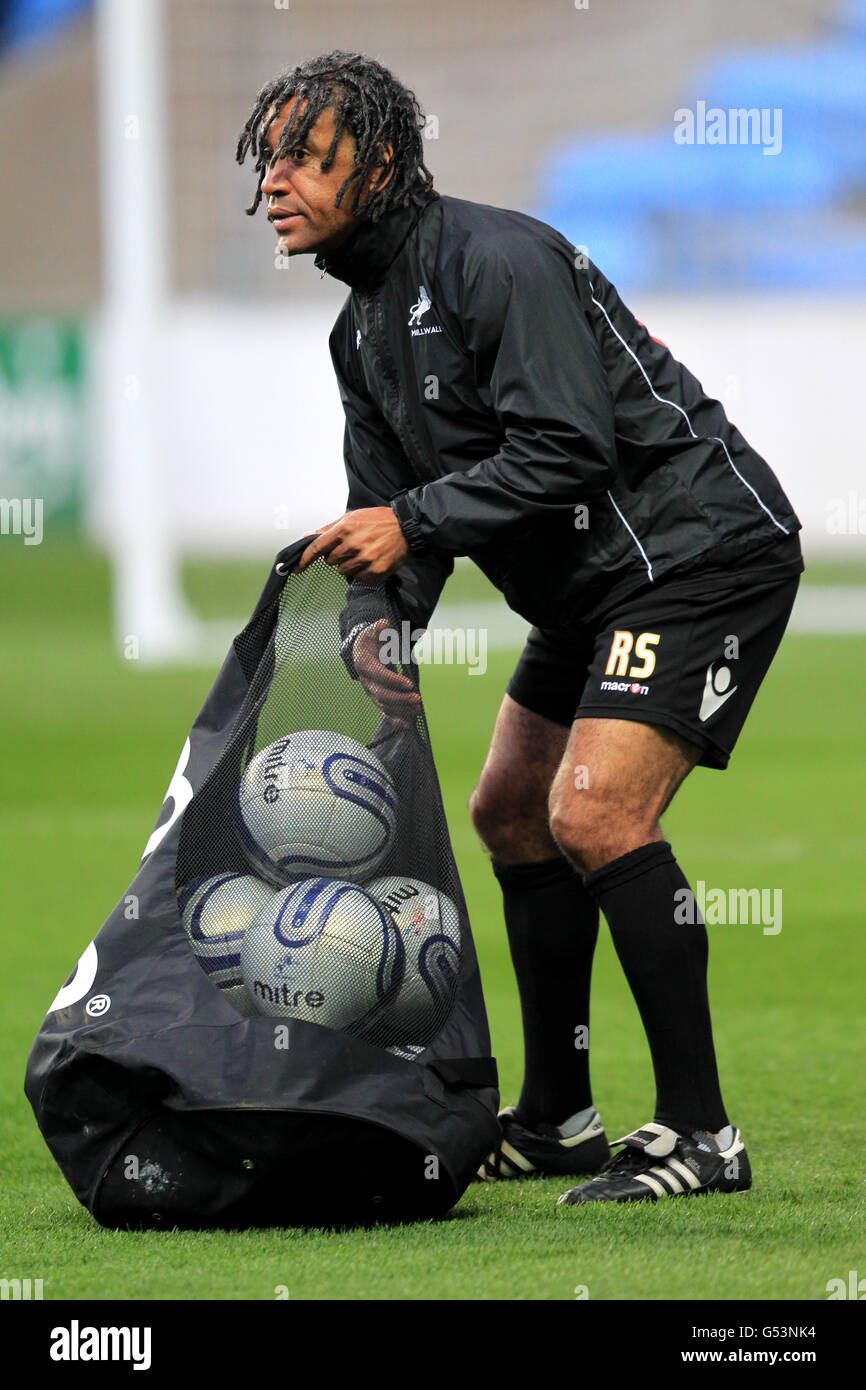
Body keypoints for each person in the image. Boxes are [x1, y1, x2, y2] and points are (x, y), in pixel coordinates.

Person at [237, 50, 803, 1205]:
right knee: (508, 810)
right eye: (269, 158)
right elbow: (393, 524)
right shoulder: (361, 333)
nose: (276, 180)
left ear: (380, 159)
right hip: (591, 588)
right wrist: (368, 639)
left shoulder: (496, 258)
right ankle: (556, 1117)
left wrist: (405, 522)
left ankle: (701, 1132)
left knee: (594, 809)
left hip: (696, 552)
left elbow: (565, 447)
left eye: (304, 153)